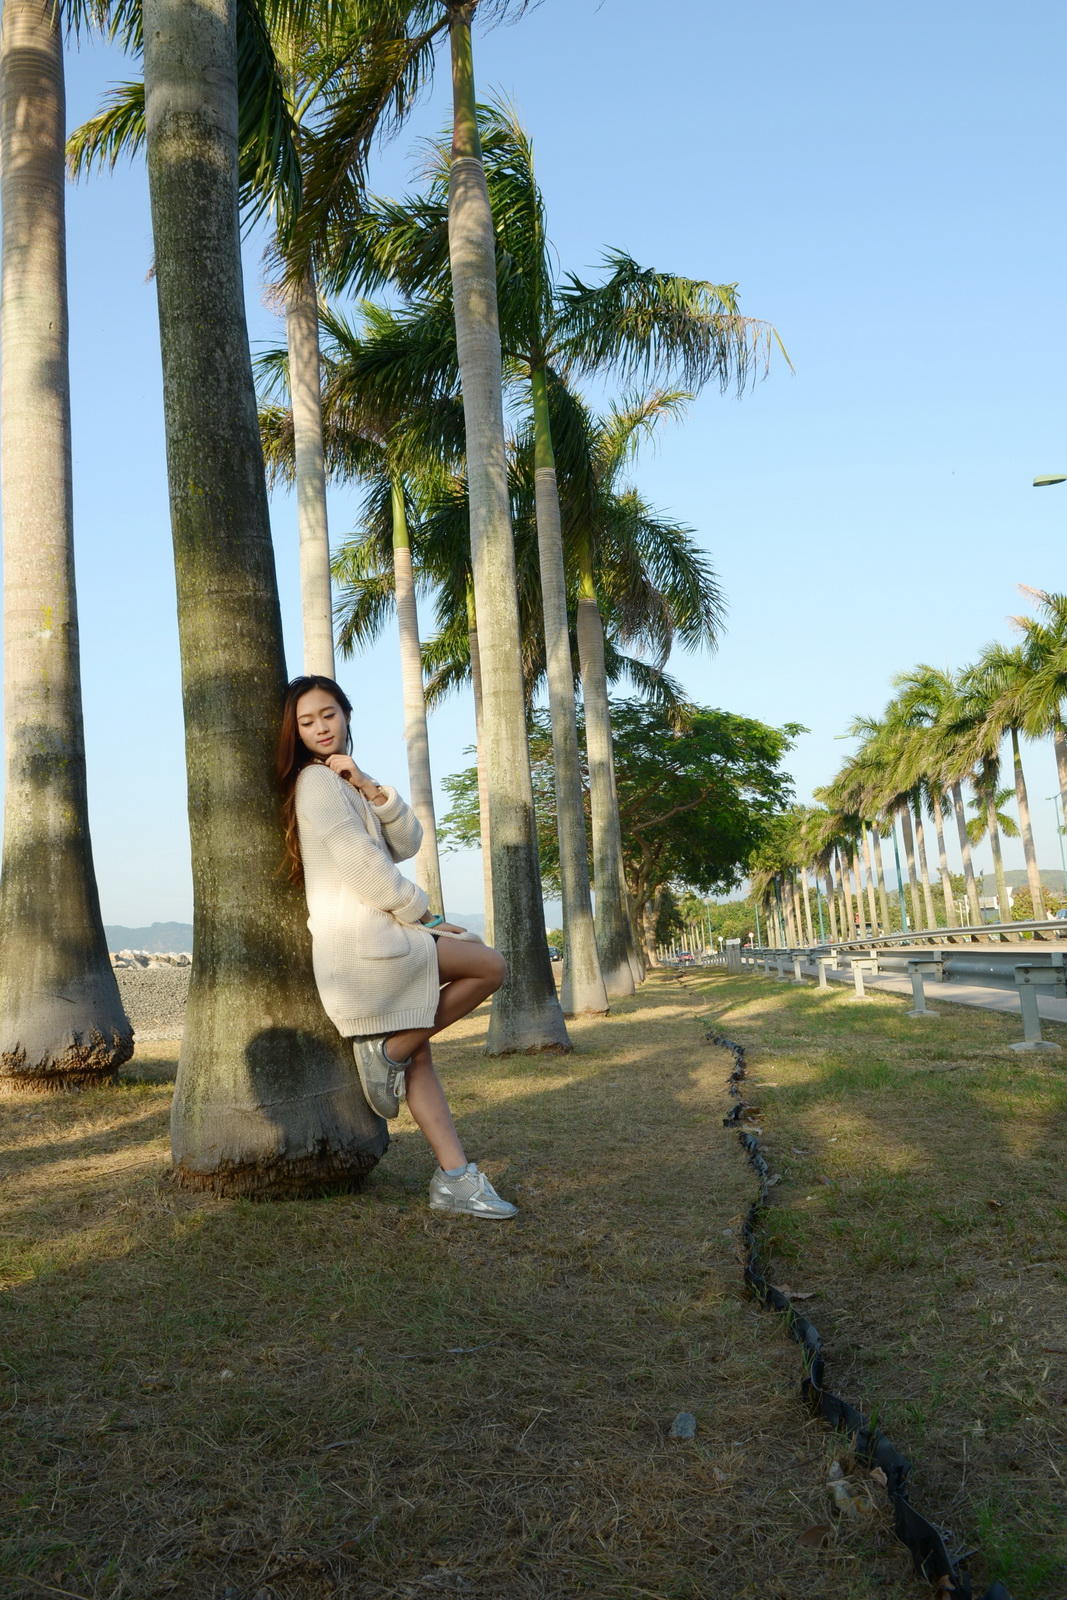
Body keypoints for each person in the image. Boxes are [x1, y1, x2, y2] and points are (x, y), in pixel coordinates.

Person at [276, 674, 516, 1219]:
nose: (321, 728)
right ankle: (387, 1052)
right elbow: (364, 868)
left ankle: (454, 1178)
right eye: (307, 722)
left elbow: (406, 842)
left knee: (420, 1050)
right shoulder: (315, 784)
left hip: (382, 937)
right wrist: (427, 916)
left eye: (328, 714)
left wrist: (367, 784)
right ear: (295, 732)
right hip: (366, 944)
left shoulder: (341, 780)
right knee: (489, 965)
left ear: (346, 714)